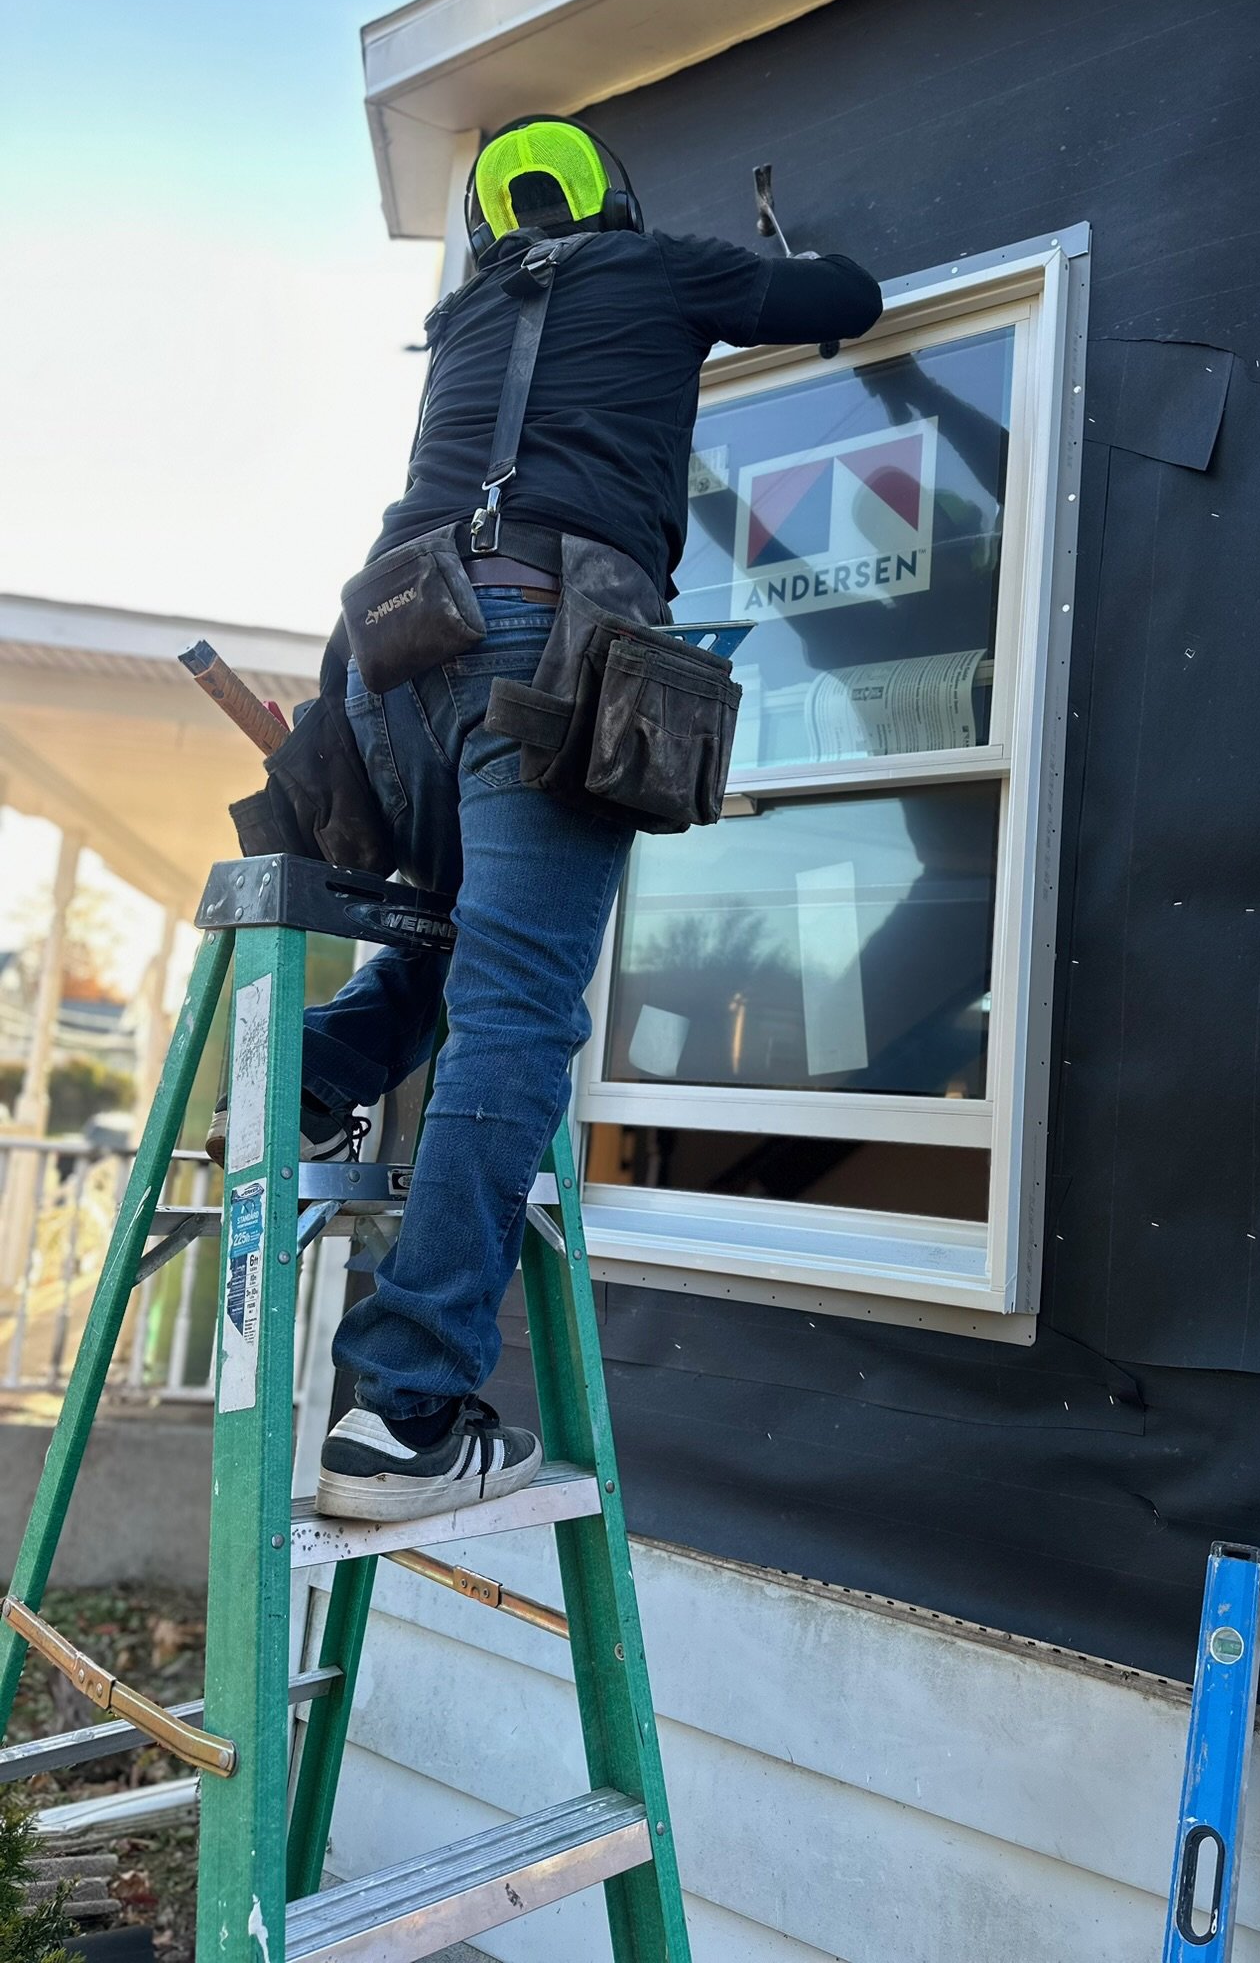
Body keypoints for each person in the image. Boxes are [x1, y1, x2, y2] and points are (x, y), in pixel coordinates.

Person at [223, 116, 882, 1522]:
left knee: (468, 939)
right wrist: (785, 267)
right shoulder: (659, 275)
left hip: (388, 654)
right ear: (616, 206)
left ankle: (304, 1087)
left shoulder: (462, 320)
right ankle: (404, 1412)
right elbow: (850, 303)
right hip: (538, 638)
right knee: (520, 1003)